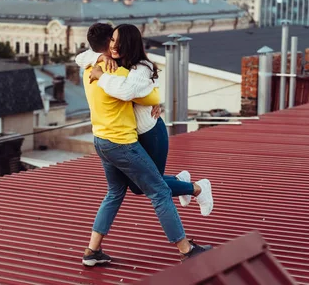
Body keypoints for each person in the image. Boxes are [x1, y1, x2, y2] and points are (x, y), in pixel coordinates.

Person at [81, 23, 212, 267]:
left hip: (100, 140)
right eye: (113, 41)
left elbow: (83, 57)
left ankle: (92, 250)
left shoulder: (88, 67)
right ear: (109, 44)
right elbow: (149, 95)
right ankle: (186, 249)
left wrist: (98, 61)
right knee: (159, 191)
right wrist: (155, 99)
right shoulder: (115, 73)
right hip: (121, 142)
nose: (115, 46)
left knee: (115, 192)